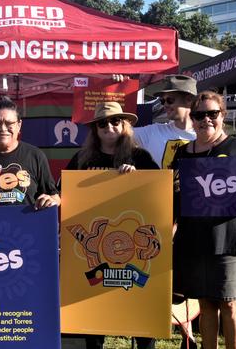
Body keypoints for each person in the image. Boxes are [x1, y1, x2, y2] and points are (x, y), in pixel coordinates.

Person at [171, 91, 236, 349]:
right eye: (199, 115)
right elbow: (173, 195)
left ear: (222, 116)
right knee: (206, 305)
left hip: (230, 240)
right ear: (192, 119)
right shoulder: (183, 154)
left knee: (230, 304)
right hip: (194, 241)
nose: (205, 119)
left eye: (212, 114)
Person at [63, 101, 158, 349]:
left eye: (115, 121)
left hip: (133, 250)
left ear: (125, 125)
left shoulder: (141, 157)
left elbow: (159, 194)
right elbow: (63, 193)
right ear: (95, 129)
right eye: (102, 123)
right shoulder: (82, 159)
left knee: (140, 312)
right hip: (93, 250)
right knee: (96, 312)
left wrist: (139, 178)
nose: (109, 127)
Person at [134, 75, 197, 169]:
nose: (165, 105)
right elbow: (115, 131)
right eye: (163, 101)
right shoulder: (154, 132)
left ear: (189, 100)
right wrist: (121, 89)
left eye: (170, 100)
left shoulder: (204, 136)